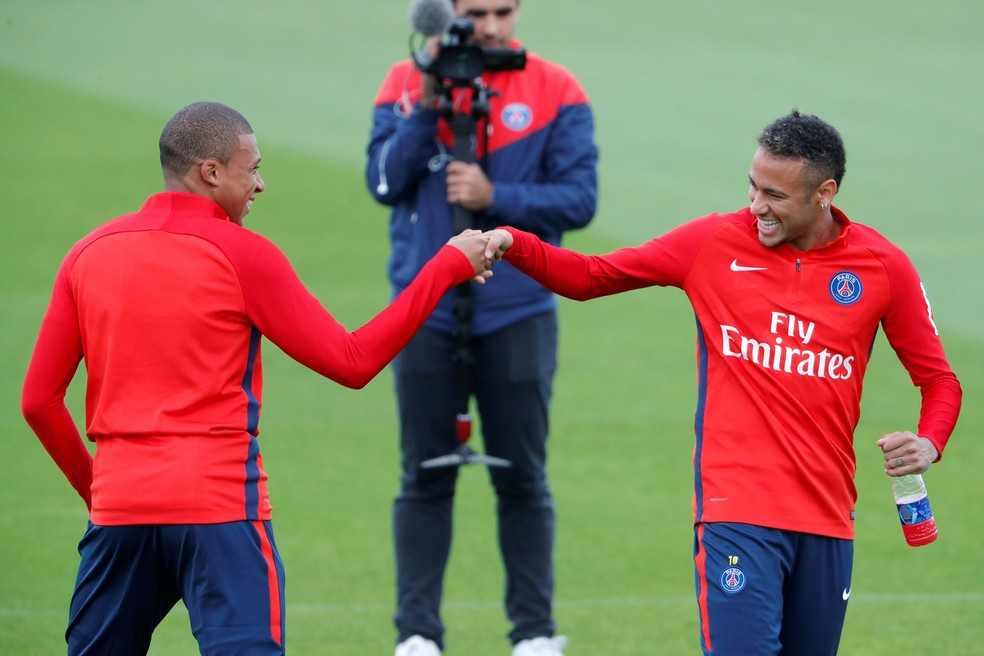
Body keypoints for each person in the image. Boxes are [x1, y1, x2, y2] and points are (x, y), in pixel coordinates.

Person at [20, 101, 495, 656]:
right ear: (211, 172)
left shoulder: (87, 253)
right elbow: (352, 360)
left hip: (120, 508)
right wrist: (446, 266)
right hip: (220, 510)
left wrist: (97, 490)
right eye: (253, 168)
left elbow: (38, 401)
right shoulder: (243, 254)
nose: (261, 184)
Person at [483, 110, 963, 655]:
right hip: (737, 510)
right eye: (753, 187)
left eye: (776, 196)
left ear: (824, 193)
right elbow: (592, 275)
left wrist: (930, 442)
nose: (757, 207)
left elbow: (940, 381)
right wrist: (512, 242)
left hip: (829, 518)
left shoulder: (882, 267)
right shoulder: (713, 243)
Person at [366, 0, 598, 654]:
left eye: (502, 10)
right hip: (425, 310)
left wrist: (494, 197)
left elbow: (580, 200)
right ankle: (416, 637)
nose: (489, 26)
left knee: (522, 474)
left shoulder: (556, 88)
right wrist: (433, 103)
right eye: (474, 12)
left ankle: (533, 635)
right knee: (424, 475)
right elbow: (383, 181)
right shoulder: (405, 83)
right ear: (449, 15)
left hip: (518, 309)